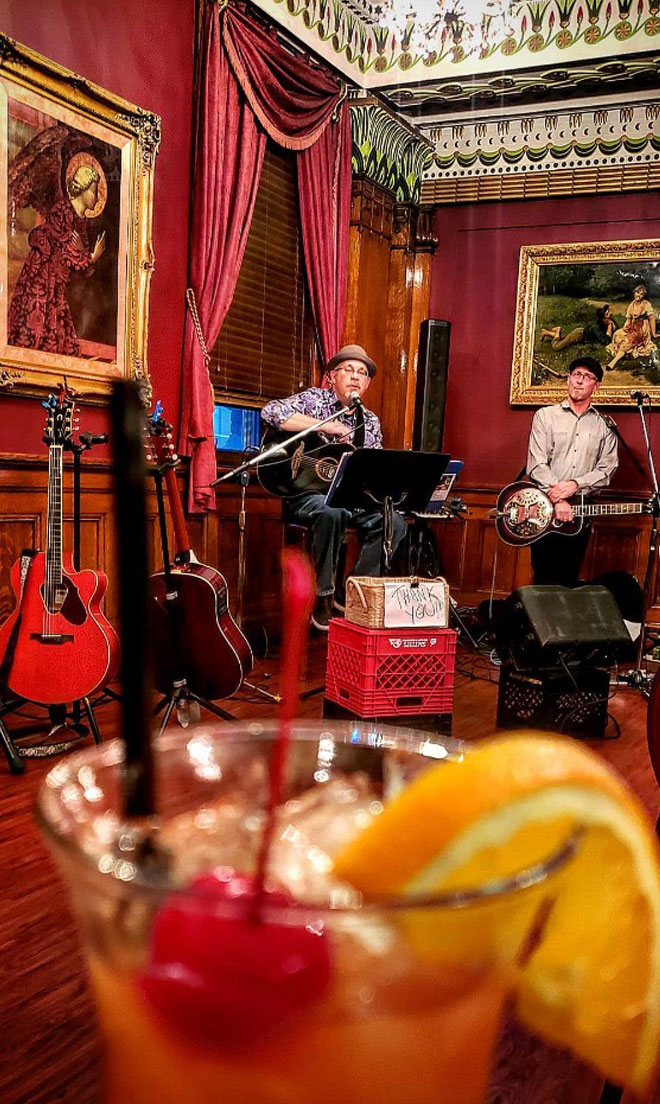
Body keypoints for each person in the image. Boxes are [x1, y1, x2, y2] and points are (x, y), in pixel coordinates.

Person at [261, 344, 407, 631]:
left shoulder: (370, 421)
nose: (355, 377)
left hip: (349, 498)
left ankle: (354, 589)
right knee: (331, 512)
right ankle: (323, 596)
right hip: (304, 493)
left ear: (366, 384)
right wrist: (325, 427)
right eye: (349, 370)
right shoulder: (315, 399)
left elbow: (371, 469)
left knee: (394, 524)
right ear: (332, 376)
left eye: (362, 373)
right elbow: (271, 412)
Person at [526, 355, 618, 588]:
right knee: (543, 580)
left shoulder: (604, 424)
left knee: (569, 579)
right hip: (544, 509)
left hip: (582, 510)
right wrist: (557, 499)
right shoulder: (545, 416)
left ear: (595, 386)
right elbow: (537, 464)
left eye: (587, 377)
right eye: (576, 374)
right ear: (568, 379)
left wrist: (576, 484)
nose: (579, 381)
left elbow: (607, 469)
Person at [8, 162, 106, 356]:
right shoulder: (62, 210)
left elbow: (82, 265)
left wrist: (87, 258)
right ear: (83, 190)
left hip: (57, 287)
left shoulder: (81, 221)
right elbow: (65, 249)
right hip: (42, 281)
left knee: (62, 342)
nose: (97, 197)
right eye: (94, 191)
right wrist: (92, 256)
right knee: (36, 334)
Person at [606, 284, 657, 371]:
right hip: (632, 326)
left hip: (642, 328)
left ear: (643, 296)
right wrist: (625, 327)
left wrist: (654, 333)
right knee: (617, 334)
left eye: (641, 294)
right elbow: (629, 320)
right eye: (637, 292)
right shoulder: (631, 305)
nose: (639, 295)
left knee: (629, 340)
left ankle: (614, 362)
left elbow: (651, 319)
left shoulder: (646, 304)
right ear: (634, 293)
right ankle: (623, 350)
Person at [540, 304, 617, 351]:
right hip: (579, 335)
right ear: (603, 318)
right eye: (607, 314)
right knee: (556, 347)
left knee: (563, 338)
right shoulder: (596, 327)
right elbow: (606, 342)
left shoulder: (608, 321)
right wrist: (610, 326)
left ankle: (546, 332)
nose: (610, 315)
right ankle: (558, 330)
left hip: (581, 332)